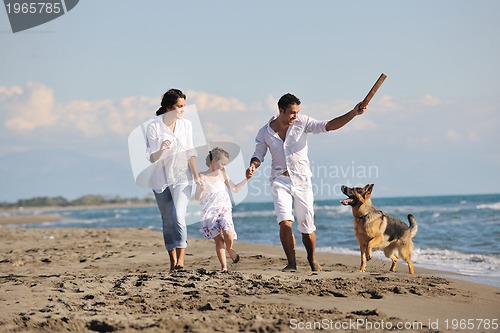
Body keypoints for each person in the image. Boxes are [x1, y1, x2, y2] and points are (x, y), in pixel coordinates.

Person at [246, 93, 366, 272]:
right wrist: (253, 166)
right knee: (284, 221)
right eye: (292, 112)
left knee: (307, 226)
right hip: (280, 180)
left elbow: (329, 125)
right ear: (281, 111)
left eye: (297, 112)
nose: (295, 115)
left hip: (302, 181)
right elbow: (258, 153)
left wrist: (353, 113)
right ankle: (292, 263)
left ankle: (311, 258)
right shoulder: (265, 131)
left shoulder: (303, 122)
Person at [146, 88, 201, 272]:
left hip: (182, 176)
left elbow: (190, 152)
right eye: (179, 106)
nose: (182, 110)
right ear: (169, 108)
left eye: (184, 106)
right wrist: (161, 149)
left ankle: (181, 261)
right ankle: (172, 261)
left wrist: (196, 175)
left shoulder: (186, 125)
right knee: (167, 221)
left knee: (179, 216)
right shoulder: (154, 126)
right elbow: (151, 158)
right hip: (160, 179)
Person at [195, 147, 251, 272]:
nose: (224, 167)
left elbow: (235, 188)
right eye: (223, 164)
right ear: (213, 161)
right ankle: (224, 267)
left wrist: (247, 179)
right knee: (219, 240)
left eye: (226, 164)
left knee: (228, 232)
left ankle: (229, 248)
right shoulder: (202, 175)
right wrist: (200, 187)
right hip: (209, 213)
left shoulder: (223, 174)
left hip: (224, 209)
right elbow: (197, 197)